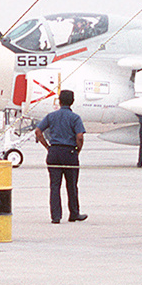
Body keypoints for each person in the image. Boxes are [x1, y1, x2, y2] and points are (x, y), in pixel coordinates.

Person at [35, 89, 87, 224]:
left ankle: (56, 216)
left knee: (54, 185)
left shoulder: (51, 116)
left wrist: (47, 147)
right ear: (72, 101)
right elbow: (80, 136)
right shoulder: (75, 118)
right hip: (69, 152)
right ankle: (74, 213)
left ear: (59, 101)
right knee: (72, 185)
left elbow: (38, 131)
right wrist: (77, 150)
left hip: (54, 152)